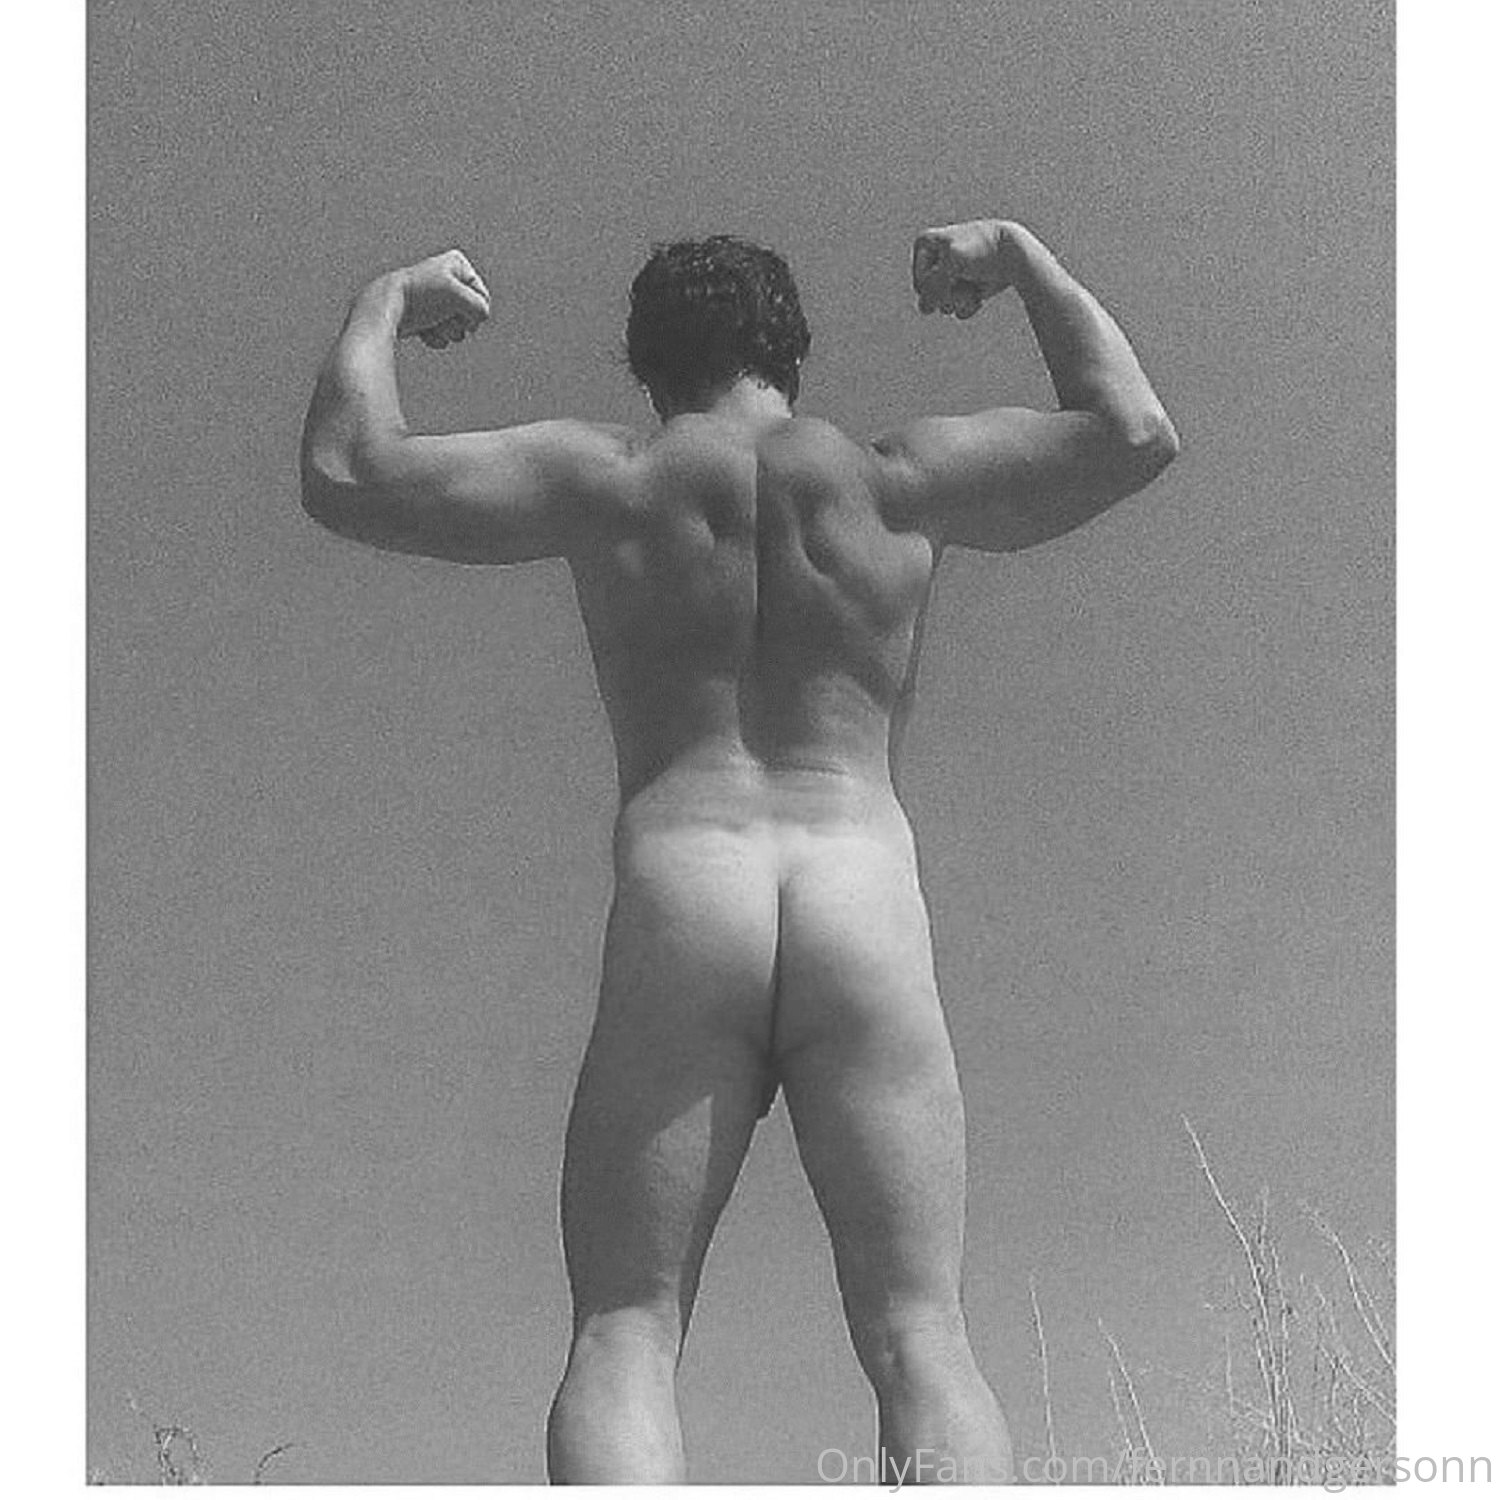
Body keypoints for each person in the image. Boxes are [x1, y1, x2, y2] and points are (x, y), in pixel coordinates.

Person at [300, 219, 1179, 1484]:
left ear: (649, 368)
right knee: (921, 1332)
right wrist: (1023, 257)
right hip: (860, 885)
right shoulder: (894, 479)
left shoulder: (609, 477)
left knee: (626, 1328)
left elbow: (347, 470)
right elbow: (1130, 432)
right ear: (793, 353)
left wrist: (386, 296)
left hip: (686, 880)